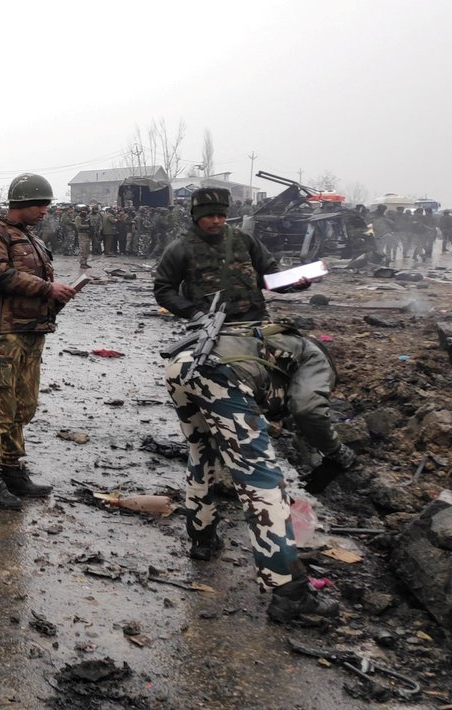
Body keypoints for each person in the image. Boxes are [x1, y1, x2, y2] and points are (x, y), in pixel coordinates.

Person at [163, 317, 353, 622]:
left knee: (202, 453)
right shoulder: (315, 355)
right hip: (222, 374)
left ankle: (203, 539)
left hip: (182, 365)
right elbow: (308, 408)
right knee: (261, 481)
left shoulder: (268, 338)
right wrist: (335, 450)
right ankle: (291, 593)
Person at [0, 173, 77, 510]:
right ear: (21, 204)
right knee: (0, 405)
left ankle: (13, 469)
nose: (45, 210)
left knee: (24, 404)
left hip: (33, 327)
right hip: (7, 330)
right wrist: (47, 289)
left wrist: (56, 295)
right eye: (40, 204)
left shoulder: (30, 237)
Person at [153, 188, 309, 324]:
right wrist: (194, 314)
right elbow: (164, 290)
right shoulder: (180, 248)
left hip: (254, 319)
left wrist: (293, 284)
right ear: (197, 217)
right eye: (210, 216)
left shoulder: (244, 239)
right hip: (210, 325)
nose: (216, 221)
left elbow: (269, 275)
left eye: (220, 216)